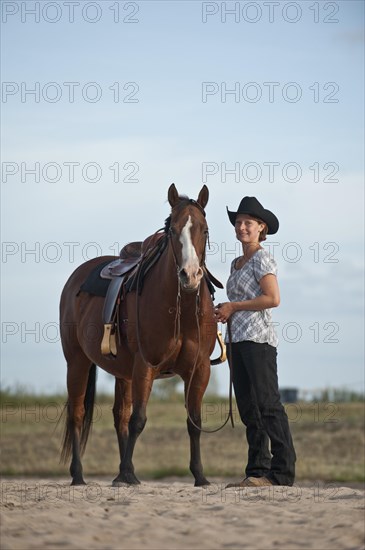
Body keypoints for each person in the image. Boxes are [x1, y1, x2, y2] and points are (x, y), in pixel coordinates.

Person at [214, 196, 296, 487]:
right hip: (237, 340)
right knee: (249, 407)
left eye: (248, 222)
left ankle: (283, 473)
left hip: (258, 339)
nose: (241, 227)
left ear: (262, 228)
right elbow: (240, 299)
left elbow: (272, 298)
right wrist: (225, 309)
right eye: (238, 222)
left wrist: (233, 307)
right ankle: (257, 471)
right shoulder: (237, 263)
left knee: (268, 404)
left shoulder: (262, 257)